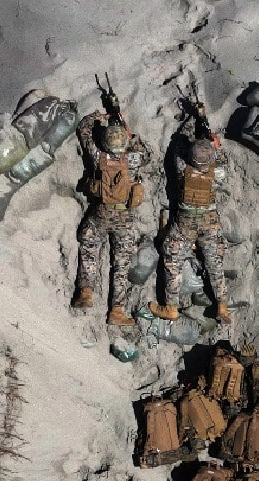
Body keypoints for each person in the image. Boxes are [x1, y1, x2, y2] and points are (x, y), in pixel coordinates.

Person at [72, 111, 151, 326]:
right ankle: (117, 311)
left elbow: (84, 130)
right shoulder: (134, 159)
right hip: (124, 218)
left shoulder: (98, 156)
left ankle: (86, 293)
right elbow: (147, 155)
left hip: (100, 213)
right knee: (121, 265)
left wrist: (96, 117)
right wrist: (130, 134)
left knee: (89, 252)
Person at [150, 136, 231, 324]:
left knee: (172, 260)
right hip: (209, 222)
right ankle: (222, 306)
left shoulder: (182, 168)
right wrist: (215, 146)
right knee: (215, 264)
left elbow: (179, 147)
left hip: (185, 224)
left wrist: (191, 138)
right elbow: (221, 159)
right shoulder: (218, 172)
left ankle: (171, 307)